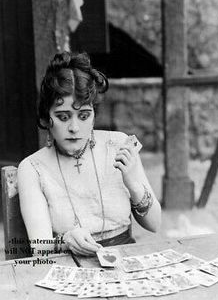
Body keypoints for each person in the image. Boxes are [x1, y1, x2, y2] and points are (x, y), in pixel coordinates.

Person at [17, 51, 161, 257]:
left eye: (84, 116)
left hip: (125, 259)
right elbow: (41, 247)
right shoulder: (32, 168)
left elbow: (155, 224)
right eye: (63, 117)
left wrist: (133, 184)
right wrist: (66, 240)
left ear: (93, 114)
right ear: (47, 118)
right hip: (68, 263)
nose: (74, 127)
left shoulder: (119, 145)